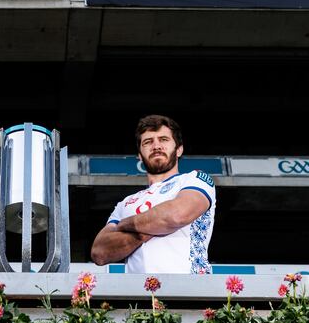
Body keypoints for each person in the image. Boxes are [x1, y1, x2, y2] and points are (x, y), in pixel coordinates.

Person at [90, 115, 215, 273]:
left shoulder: (195, 179)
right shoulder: (126, 203)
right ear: (139, 155)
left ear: (179, 149)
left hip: (188, 291)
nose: (156, 146)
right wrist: (153, 227)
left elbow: (175, 216)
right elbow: (99, 252)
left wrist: (125, 225)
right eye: (148, 142)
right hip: (138, 295)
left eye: (163, 139)